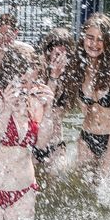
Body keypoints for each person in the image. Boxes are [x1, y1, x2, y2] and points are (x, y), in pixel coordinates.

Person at [0, 46, 53, 220]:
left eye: (33, 80)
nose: (28, 86)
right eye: (23, 81)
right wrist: (6, 109)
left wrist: (49, 108)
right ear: (9, 75)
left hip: (23, 189)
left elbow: (41, 144)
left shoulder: (34, 99)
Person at [73, 13, 110, 176]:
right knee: (80, 190)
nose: (94, 44)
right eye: (90, 37)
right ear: (83, 39)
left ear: (108, 42)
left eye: (100, 39)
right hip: (87, 138)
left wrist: (108, 160)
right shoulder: (78, 69)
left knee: (107, 192)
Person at [32, 27, 76, 171]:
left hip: (56, 141)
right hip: (36, 142)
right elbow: (44, 106)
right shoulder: (38, 69)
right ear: (48, 50)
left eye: (64, 53)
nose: (59, 58)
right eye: (56, 52)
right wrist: (54, 77)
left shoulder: (71, 75)